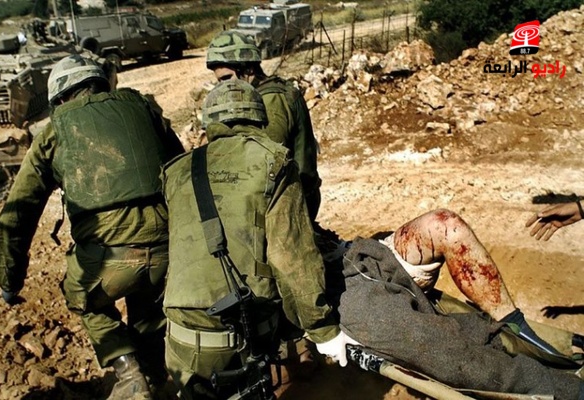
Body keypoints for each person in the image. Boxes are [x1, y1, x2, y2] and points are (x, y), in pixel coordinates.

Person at [0, 54, 184, 399]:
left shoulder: (54, 133)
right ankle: (154, 376)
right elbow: (183, 169)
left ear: (60, 99)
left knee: (83, 295)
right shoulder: (146, 111)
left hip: (108, 261)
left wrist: (8, 276)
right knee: (150, 307)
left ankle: (128, 371)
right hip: (166, 249)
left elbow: (21, 209)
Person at [160, 79, 353, 399]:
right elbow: (292, 259)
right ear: (259, 118)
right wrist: (323, 329)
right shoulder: (275, 162)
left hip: (181, 337)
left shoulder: (175, 170)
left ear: (209, 124)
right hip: (246, 334)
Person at [318, 208, 584, 399]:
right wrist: (320, 327)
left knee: (444, 225)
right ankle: (567, 390)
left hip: (352, 255)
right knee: (440, 349)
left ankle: (524, 334)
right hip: (326, 290)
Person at [205, 30, 322, 223]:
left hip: (293, 204)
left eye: (226, 79)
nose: (222, 87)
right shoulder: (261, 94)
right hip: (287, 198)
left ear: (248, 70)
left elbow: (265, 164)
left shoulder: (270, 100)